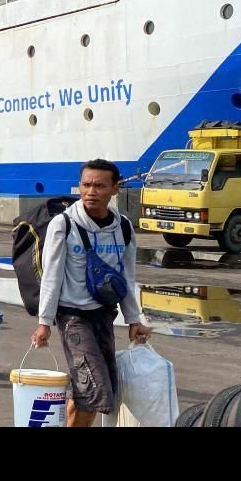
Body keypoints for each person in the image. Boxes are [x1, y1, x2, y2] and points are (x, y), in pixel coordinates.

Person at [31, 159, 151, 426]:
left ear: (115, 188)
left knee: (93, 388)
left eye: (99, 186)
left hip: (104, 314)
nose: (91, 192)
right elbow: (51, 275)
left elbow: (126, 277)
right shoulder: (64, 224)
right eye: (86, 185)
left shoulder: (123, 227)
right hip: (72, 316)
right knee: (95, 392)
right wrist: (44, 322)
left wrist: (133, 319)